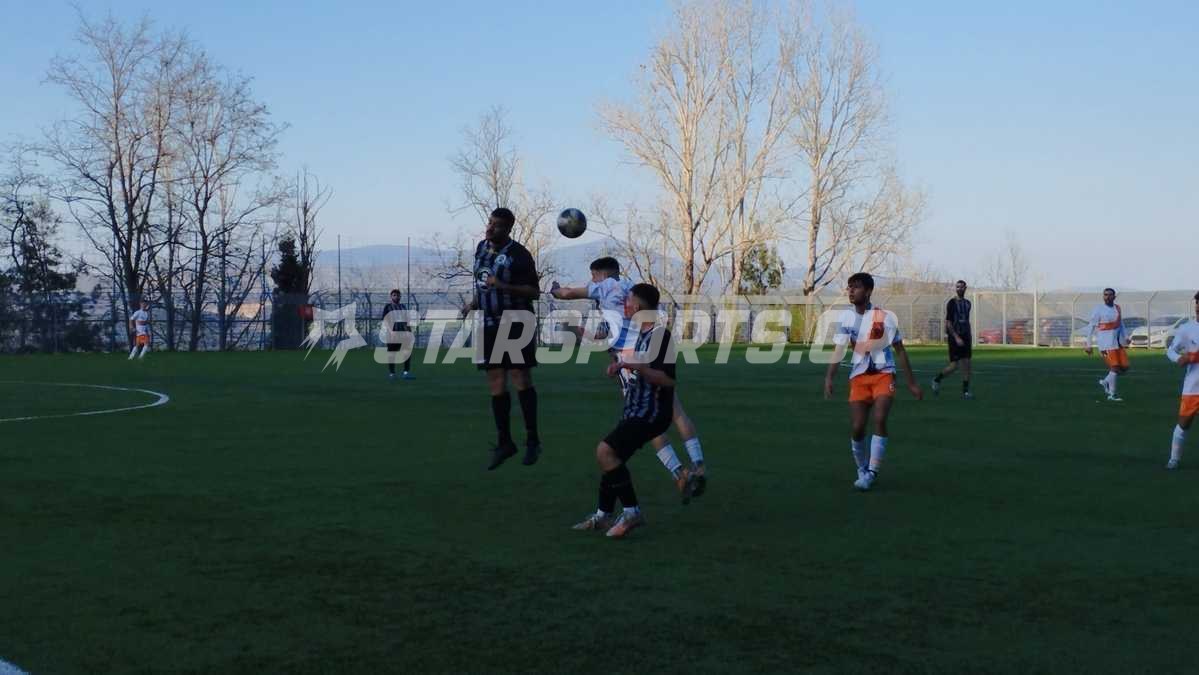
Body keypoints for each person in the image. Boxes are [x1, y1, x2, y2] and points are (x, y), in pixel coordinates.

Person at [551, 257, 707, 502]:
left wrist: (555, 290)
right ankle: (698, 465)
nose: (592, 281)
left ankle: (679, 474)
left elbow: (568, 293)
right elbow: (604, 333)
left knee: (642, 420)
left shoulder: (605, 287)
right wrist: (580, 331)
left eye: (593, 276)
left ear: (601, 274)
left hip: (629, 361)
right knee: (675, 411)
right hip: (648, 346)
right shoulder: (631, 288)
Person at [572, 283, 675, 538]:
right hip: (636, 409)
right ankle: (603, 515)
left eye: (627, 301)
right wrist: (620, 366)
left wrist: (634, 366)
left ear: (637, 306)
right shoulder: (640, 334)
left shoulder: (660, 336)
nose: (624, 305)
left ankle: (631, 512)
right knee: (612, 460)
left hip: (651, 412)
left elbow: (667, 380)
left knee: (605, 451)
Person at [824, 272, 923, 491]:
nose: (851, 291)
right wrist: (829, 377)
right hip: (859, 377)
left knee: (879, 418)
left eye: (856, 287)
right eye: (849, 287)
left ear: (868, 291)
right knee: (858, 427)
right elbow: (839, 350)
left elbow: (900, 350)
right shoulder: (846, 318)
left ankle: (872, 472)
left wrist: (912, 383)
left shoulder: (884, 317)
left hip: (883, 374)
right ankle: (862, 469)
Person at [466, 208, 543, 470]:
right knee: (496, 382)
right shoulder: (481, 248)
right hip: (489, 322)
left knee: (520, 377)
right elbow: (483, 284)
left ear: (508, 229)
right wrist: (473, 303)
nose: (490, 228)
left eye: (497, 225)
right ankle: (505, 442)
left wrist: (504, 286)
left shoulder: (519, 254)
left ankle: (532, 440)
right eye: (490, 222)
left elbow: (534, 292)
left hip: (516, 320)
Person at [1164, 291, 1199, 470]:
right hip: (1193, 387)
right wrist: (1178, 359)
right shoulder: (1186, 328)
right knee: (1184, 424)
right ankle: (1174, 459)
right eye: (1198, 302)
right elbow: (1170, 350)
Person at [1084, 288, 1130, 401]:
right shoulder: (1098, 310)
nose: (1107, 297)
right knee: (1115, 367)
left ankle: (1105, 382)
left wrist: (1126, 337)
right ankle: (1112, 395)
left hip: (1117, 343)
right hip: (1105, 344)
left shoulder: (1117, 308)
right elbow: (1091, 327)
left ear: (1114, 297)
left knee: (1124, 368)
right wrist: (1088, 345)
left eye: (1110, 295)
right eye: (1105, 295)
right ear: (1103, 296)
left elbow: (1121, 324)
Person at [931, 280, 973, 399]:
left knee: (967, 364)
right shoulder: (951, 303)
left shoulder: (968, 303)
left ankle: (965, 391)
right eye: (957, 287)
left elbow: (966, 320)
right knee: (954, 366)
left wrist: (968, 335)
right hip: (954, 338)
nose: (959, 289)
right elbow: (948, 322)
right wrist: (956, 337)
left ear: (965, 288)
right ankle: (937, 379)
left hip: (966, 337)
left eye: (961, 287)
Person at [381, 289, 414, 380]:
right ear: (391, 297)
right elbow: (385, 320)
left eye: (398, 295)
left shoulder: (403, 307)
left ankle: (406, 372)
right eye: (394, 295)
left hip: (403, 334)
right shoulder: (388, 307)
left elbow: (407, 321)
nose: (396, 297)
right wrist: (391, 331)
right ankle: (392, 373)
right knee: (392, 354)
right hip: (393, 334)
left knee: (407, 353)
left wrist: (409, 332)